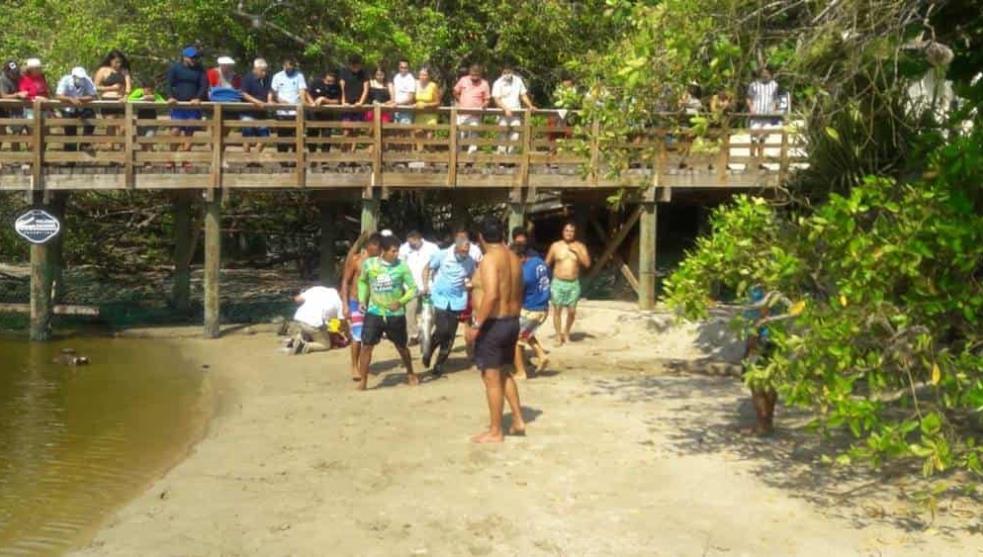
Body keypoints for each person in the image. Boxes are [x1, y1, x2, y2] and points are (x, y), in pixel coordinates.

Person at [465, 218, 526, 443]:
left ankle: (495, 431)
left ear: (480, 237)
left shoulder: (490, 259)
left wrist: (476, 325)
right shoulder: (514, 257)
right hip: (511, 321)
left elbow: (491, 295)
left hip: (494, 324)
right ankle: (518, 419)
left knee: (491, 378)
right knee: (504, 372)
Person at [356, 234, 420, 390]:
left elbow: (413, 289)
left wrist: (400, 302)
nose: (396, 254)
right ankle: (363, 380)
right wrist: (362, 300)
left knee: (401, 347)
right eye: (393, 251)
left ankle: (410, 372)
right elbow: (362, 282)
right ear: (383, 251)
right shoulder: (369, 264)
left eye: (398, 251)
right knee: (366, 346)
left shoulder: (402, 266)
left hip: (395, 314)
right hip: (374, 311)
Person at [421, 235, 478, 376]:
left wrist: (471, 285)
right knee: (442, 330)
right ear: (456, 248)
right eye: (463, 251)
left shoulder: (470, 261)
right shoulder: (442, 255)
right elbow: (426, 269)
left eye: (467, 251)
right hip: (440, 298)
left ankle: (439, 364)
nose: (465, 254)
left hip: (458, 300)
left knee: (450, 334)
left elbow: (474, 278)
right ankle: (428, 352)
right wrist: (426, 285)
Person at [341, 232, 382, 380]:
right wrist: (345, 304)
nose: (378, 251)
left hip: (373, 303)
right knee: (357, 335)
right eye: (376, 248)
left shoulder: (381, 262)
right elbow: (345, 281)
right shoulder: (356, 260)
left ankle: (364, 362)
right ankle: (354, 366)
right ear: (369, 246)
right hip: (356, 301)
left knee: (369, 336)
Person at [511, 228, 551, 379]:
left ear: (521, 257)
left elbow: (518, 293)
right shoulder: (539, 261)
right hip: (543, 306)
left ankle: (521, 372)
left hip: (532, 309)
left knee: (516, 340)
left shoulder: (523, 273)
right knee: (527, 332)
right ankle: (541, 354)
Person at [545, 222, 591, 344]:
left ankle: (566, 333)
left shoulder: (580, 246)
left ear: (574, 233)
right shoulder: (555, 246)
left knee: (572, 311)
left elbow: (587, 264)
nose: (569, 233)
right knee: (557, 310)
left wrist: (577, 252)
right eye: (567, 230)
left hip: (573, 283)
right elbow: (546, 263)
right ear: (563, 232)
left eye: (571, 231)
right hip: (558, 282)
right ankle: (558, 335)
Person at [164, 47, 208, 162]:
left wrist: (198, 98)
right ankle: (171, 159)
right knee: (175, 131)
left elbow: (204, 86)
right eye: (192, 58)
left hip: (193, 106)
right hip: (178, 105)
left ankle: (185, 160)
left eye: (196, 58)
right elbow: (168, 84)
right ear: (184, 57)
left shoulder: (200, 70)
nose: (194, 60)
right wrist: (170, 97)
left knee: (189, 132)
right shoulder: (175, 68)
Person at [398, 230, 440, 345]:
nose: (410, 245)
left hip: (430, 284)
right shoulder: (404, 249)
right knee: (410, 311)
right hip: (410, 285)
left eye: (413, 243)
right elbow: (400, 266)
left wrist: (433, 282)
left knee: (431, 312)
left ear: (419, 239)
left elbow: (438, 265)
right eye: (409, 243)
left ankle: (424, 333)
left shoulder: (432, 248)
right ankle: (413, 335)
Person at [286, 286, 347, 355]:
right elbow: (337, 325)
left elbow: (298, 299)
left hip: (300, 318)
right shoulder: (340, 304)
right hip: (313, 323)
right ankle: (304, 346)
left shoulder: (319, 289)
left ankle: (298, 339)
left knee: (311, 330)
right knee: (325, 344)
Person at [491, 64, 535, 155]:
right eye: (505, 72)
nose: (507, 74)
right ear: (502, 72)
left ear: (512, 72)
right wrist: (506, 109)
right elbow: (496, 99)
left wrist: (530, 106)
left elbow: (523, 95)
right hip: (502, 113)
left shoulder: (518, 80)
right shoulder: (497, 83)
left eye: (509, 72)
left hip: (516, 112)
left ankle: (511, 157)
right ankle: (501, 158)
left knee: (515, 136)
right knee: (502, 135)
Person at [269, 58, 309, 155]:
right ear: (283, 66)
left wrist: (303, 102)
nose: (289, 69)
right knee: (282, 137)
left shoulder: (299, 75)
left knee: (297, 137)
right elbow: (273, 92)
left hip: (296, 112)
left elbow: (302, 90)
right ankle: (282, 159)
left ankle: (296, 159)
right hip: (282, 112)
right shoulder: (277, 76)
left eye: (291, 68)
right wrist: (280, 101)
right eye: (287, 67)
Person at [55, 67, 98, 153]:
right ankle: (70, 154)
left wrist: (80, 99)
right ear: (73, 76)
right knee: (70, 129)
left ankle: (85, 144)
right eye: (78, 77)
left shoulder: (87, 80)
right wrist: (70, 99)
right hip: (68, 108)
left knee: (91, 117)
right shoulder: (65, 80)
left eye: (82, 77)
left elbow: (93, 95)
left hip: (82, 106)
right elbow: (59, 96)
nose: (80, 79)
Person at [452, 64, 490, 155]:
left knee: (474, 134)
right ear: (469, 73)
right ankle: (456, 156)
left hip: (475, 114)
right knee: (459, 134)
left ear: (480, 74)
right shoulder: (463, 80)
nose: (474, 77)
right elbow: (455, 92)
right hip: (462, 113)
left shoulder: (484, 83)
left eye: (476, 75)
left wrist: (484, 105)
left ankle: (471, 157)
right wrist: (460, 100)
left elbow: (487, 99)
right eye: (472, 75)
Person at [239, 58, 272, 157]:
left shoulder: (268, 78)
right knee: (247, 135)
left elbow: (270, 91)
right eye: (262, 70)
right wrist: (257, 102)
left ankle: (254, 157)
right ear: (255, 69)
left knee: (265, 136)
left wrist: (270, 100)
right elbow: (243, 94)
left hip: (261, 113)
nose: (264, 73)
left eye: (265, 70)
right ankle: (247, 158)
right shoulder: (247, 78)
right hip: (247, 112)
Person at [746, 67, 779, 163]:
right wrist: (751, 108)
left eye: (767, 73)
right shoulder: (754, 85)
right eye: (763, 73)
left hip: (768, 116)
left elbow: (775, 99)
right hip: (756, 115)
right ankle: (751, 160)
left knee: (762, 139)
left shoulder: (774, 85)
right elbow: (749, 98)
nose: (765, 75)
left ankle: (760, 161)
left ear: (770, 74)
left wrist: (774, 111)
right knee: (753, 138)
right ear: (760, 74)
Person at [93, 49, 131, 131]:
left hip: (121, 101)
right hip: (108, 100)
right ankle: (110, 140)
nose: (119, 64)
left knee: (123, 128)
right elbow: (95, 87)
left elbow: (128, 86)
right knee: (111, 127)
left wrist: (126, 95)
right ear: (110, 60)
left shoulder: (124, 71)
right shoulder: (103, 70)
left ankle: (123, 140)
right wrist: (112, 88)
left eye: (120, 62)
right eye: (116, 62)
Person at [307, 70, 342, 154]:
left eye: (332, 81)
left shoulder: (336, 87)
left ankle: (325, 157)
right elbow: (307, 93)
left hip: (327, 114)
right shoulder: (316, 83)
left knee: (326, 135)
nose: (330, 83)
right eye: (328, 81)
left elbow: (338, 101)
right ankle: (312, 155)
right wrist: (312, 103)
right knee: (312, 134)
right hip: (313, 113)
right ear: (324, 79)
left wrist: (324, 100)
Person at [339, 54, 368, 152]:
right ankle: (343, 153)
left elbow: (366, 89)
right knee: (346, 131)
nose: (356, 67)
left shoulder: (364, 73)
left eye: (358, 65)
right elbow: (342, 88)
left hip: (358, 105)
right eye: (354, 65)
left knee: (356, 130)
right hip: (347, 104)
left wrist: (361, 102)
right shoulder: (344, 72)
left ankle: (353, 153)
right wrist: (343, 101)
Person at [128, 82, 165, 158]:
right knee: (142, 141)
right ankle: (144, 159)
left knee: (149, 139)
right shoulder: (138, 92)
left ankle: (148, 160)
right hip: (140, 120)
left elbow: (163, 102)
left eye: (151, 90)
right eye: (147, 89)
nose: (149, 91)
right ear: (143, 89)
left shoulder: (155, 95)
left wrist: (154, 100)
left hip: (152, 120)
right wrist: (142, 99)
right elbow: (129, 99)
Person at [0, 61, 28, 162]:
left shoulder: (19, 77)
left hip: (15, 109)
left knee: (17, 131)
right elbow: (3, 96)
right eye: (13, 73)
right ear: (7, 72)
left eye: (16, 72)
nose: (15, 75)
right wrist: (17, 95)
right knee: (2, 133)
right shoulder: (2, 79)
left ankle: (16, 159)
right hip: (2, 109)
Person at [413, 67, 441, 150]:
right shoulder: (416, 85)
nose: (422, 77)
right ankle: (420, 154)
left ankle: (431, 155)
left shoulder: (433, 85)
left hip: (430, 114)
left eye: (425, 75)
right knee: (418, 134)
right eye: (421, 75)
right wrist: (413, 104)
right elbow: (412, 99)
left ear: (429, 76)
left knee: (429, 138)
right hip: (419, 114)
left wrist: (426, 105)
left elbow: (437, 102)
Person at [392, 59, 416, 125]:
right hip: (396, 109)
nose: (403, 69)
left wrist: (397, 103)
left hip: (406, 110)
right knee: (395, 130)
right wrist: (392, 102)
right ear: (398, 67)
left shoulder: (411, 79)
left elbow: (410, 98)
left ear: (408, 68)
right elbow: (395, 93)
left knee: (405, 129)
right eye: (401, 67)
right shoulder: (396, 77)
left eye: (405, 68)